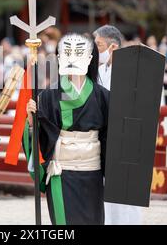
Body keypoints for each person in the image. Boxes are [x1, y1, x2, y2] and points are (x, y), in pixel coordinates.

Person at [26, 33, 109, 225]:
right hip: (62, 171)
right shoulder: (47, 96)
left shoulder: (103, 96)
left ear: (89, 58)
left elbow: (111, 136)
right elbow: (40, 135)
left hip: (92, 171)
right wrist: (32, 123)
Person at [93, 25, 143, 225]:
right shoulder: (97, 71)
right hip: (104, 138)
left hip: (124, 138)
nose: (96, 50)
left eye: (99, 45)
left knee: (125, 194)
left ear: (113, 46)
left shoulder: (131, 70)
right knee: (106, 194)